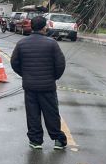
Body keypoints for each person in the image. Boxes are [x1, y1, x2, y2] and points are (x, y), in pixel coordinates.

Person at [11, 15, 67, 150]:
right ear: (44, 27)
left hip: (30, 86)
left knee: (32, 114)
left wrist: (25, 75)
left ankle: (35, 141)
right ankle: (58, 140)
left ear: (31, 27)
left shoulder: (22, 43)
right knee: (51, 113)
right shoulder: (52, 43)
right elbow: (60, 64)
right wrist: (54, 77)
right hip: (48, 86)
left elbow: (14, 63)